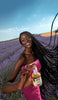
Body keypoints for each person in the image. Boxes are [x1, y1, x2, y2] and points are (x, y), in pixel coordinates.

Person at [2, 31, 58, 100]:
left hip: (38, 84)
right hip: (30, 90)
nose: (26, 41)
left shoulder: (36, 51)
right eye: (23, 40)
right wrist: (20, 85)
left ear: (32, 38)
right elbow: (4, 89)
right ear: (21, 43)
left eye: (28, 37)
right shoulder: (23, 58)